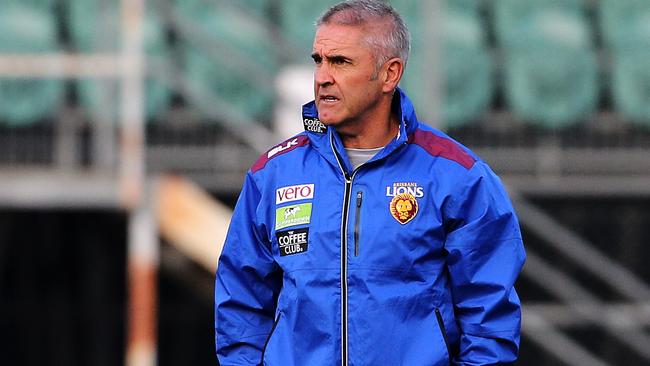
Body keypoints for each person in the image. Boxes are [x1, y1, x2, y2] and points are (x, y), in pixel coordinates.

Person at [215, 1, 526, 365]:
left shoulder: (456, 175)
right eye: (318, 60)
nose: (322, 77)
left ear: (390, 74)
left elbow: (489, 319)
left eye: (341, 62)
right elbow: (241, 305)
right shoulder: (272, 175)